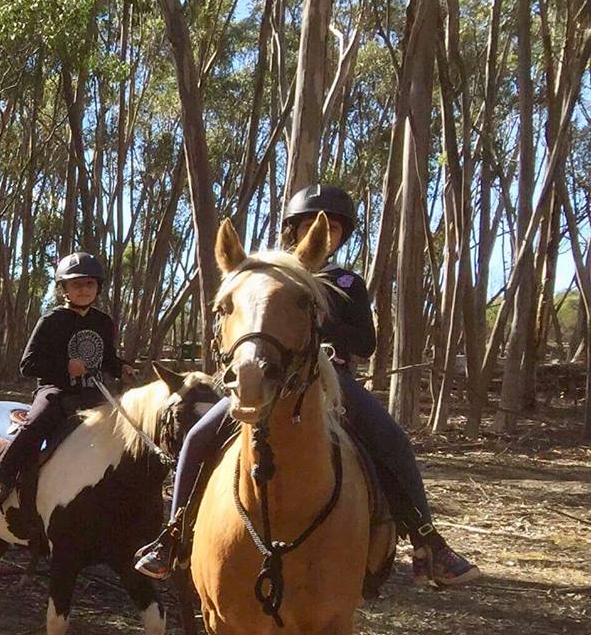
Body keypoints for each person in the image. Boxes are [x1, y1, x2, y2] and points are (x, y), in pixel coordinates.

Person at [133, 184, 476, 587]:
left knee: (391, 439)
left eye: (333, 227)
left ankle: (426, 540)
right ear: (293, 231)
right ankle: (174, 535)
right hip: (273, 377)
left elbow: (365, 342)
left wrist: (312, 318)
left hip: (334, 380)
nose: (324, 232)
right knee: (196, 436)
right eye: (314, 225)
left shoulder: (347, 282)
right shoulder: (267, 278)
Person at [0, 252, 123, 521]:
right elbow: (27, 365)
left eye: (89, 284)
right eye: (76, 284)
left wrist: (123, 367)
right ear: (63, 289)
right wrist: (65, 367)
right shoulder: (51, 321)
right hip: (56, 390)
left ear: (98, 286)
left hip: (92, 392)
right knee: (37, 421)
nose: (84, 290)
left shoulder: (103, 322)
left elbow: (108, 359)